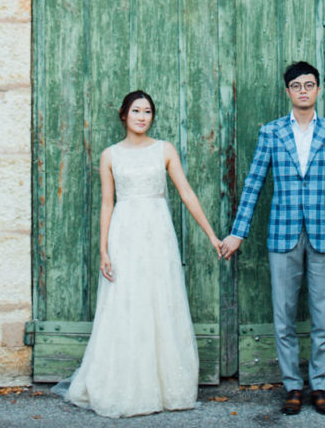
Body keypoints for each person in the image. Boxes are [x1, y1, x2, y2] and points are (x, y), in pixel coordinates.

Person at [63, 90, 221, 418]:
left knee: (160, 299)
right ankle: (124, 383)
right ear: (124, 114)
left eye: (147, 111)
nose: (142, 117)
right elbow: (108, 202)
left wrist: (211, 234)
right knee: (125, 301)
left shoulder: (164, 150)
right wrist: (103, 249)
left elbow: (186, 192)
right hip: (125, 232)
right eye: (136, 110)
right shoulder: (109, 155)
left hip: (158, 233)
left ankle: (165, 387)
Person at [220, 62, 325, 417]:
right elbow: (253, 183)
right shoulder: (272, 132)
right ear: (288, 91)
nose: (304, 90)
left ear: (319, 90)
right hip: (282, 233)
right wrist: (238, 232)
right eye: (297, 85)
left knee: (322, 315)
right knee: (284, 316)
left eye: (310, 84)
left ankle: (320, 386)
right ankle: (293, 386)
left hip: (324, 236)